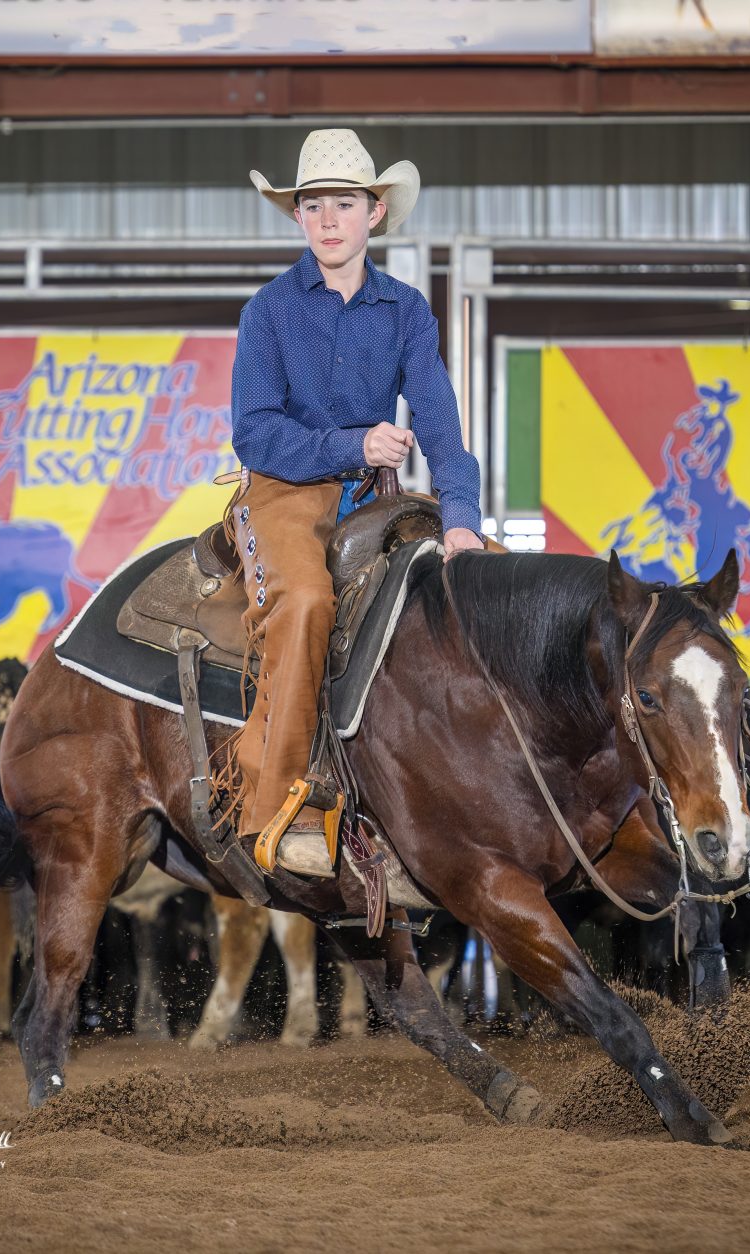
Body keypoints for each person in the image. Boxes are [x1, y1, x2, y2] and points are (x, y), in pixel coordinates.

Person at [214, 128, 484, 854]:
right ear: (298, 217)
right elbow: (255, 433)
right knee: (304, 604)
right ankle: (277, 813)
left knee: (456, 606)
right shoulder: (268, 311)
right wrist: (352, 444)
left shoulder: (405, 313)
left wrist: (461, 520)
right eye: (312, 205)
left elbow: (444, 434)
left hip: (375, 502)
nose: (328, 219)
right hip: (285, 491)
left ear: (373, 213)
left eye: (343, 203)